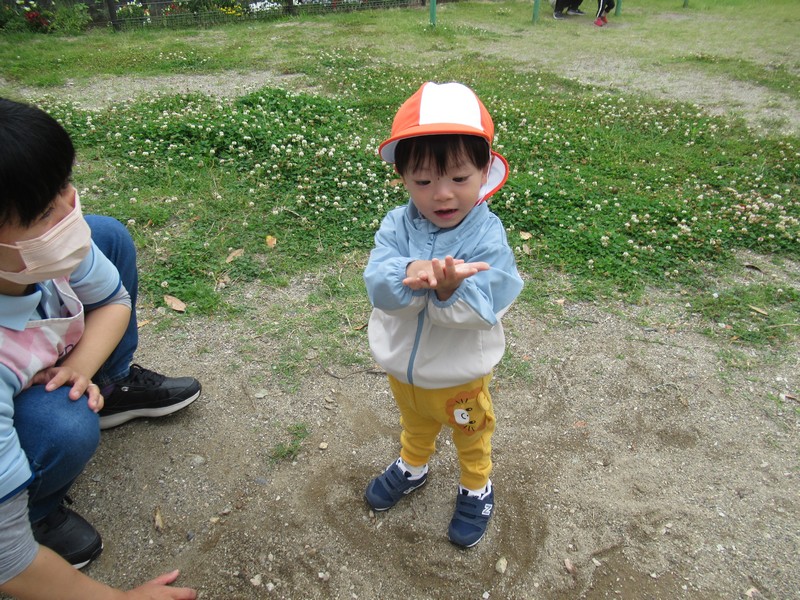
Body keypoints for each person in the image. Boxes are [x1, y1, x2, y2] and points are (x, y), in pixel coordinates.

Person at [0, 97, 199, 599]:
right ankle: (34, 513)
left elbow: (113, 300)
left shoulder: (33, 255)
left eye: (64, 184)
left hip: (38, 360)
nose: (71, 207)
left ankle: (111, 384)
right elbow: (9, 564)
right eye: (45, 211)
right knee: (64, 424)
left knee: (107, 234)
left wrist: (83, 368)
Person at [363, 82, 524, 548]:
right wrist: (409, 272)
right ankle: (413, 466)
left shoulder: (487, 234)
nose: (442, 194)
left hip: (460, 379)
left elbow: (491, 301)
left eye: (458, 177)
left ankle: (476, 485)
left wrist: (451, 291)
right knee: (415, 421)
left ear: (484, 169)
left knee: (471, 433)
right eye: (423, 182)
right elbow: (377, 281)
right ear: (402, 176)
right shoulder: (396, 225)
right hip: (403, 370)